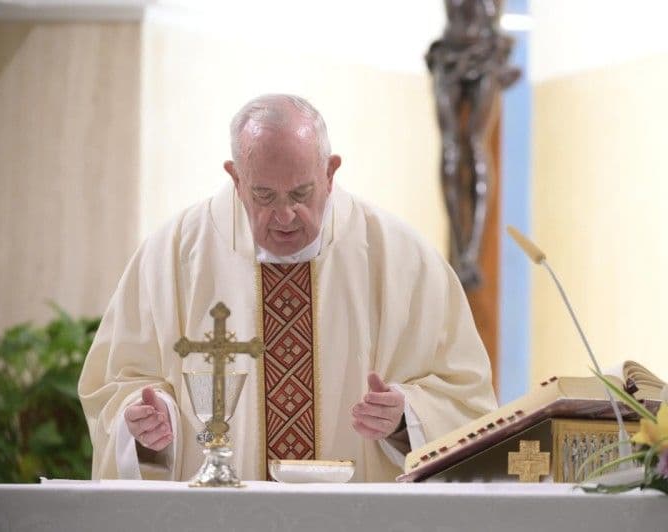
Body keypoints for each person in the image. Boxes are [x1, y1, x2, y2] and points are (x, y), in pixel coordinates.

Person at [78, 94, 497, 482]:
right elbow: (117, 385)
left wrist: (407, 418)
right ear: (235, 178)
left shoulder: (402, 258)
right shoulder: (171, 255)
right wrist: (151, 422)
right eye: (263, 195)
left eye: (301, 193)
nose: (284, 216)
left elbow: (466, 399)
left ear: (330, 172)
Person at [426, 0, 520, 289]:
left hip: (484, 55)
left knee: (475, 143)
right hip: (451, 56)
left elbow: (492, 16)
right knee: (451, 147)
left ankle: (471, 252)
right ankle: (460, 246)